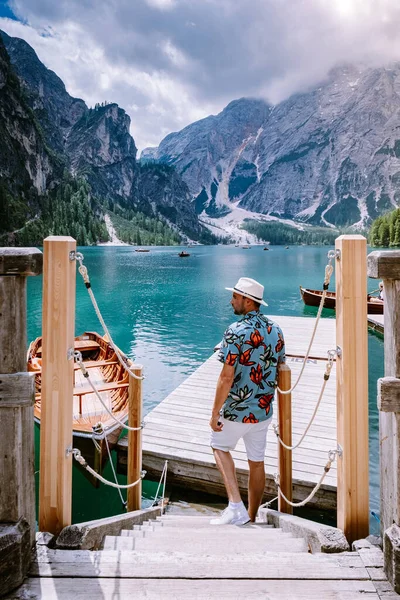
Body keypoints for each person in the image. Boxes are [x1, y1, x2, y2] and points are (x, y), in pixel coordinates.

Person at [209, 277, 285, 525]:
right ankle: (251, 517)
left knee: (219, 447)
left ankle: (235, 507)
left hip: (236, 410)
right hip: (263, 411)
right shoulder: (276, 330)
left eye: (235, 296)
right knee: (257, 462)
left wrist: (214, 413)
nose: (231, 300)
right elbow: (279, 365)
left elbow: (226, 377)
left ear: (248, 301)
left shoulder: (235, 331)